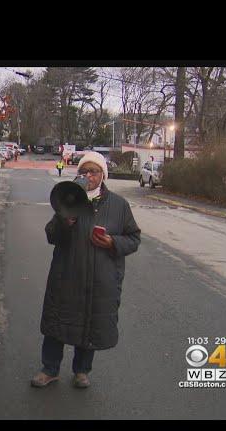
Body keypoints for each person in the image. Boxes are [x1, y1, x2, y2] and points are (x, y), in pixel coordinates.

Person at [31, 151, 141, 389]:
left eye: (94, 171)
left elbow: (133, 238)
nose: (88, 176)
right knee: (57, 324)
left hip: (100, 278)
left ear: (103, 175)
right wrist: (64, 220)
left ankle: (82, 370)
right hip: (67, 274)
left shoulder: (119, 205)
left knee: (89, 323)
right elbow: (51, 235)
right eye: (84, 171)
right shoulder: (68, 198)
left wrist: (113, 243)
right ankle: (49, 369)